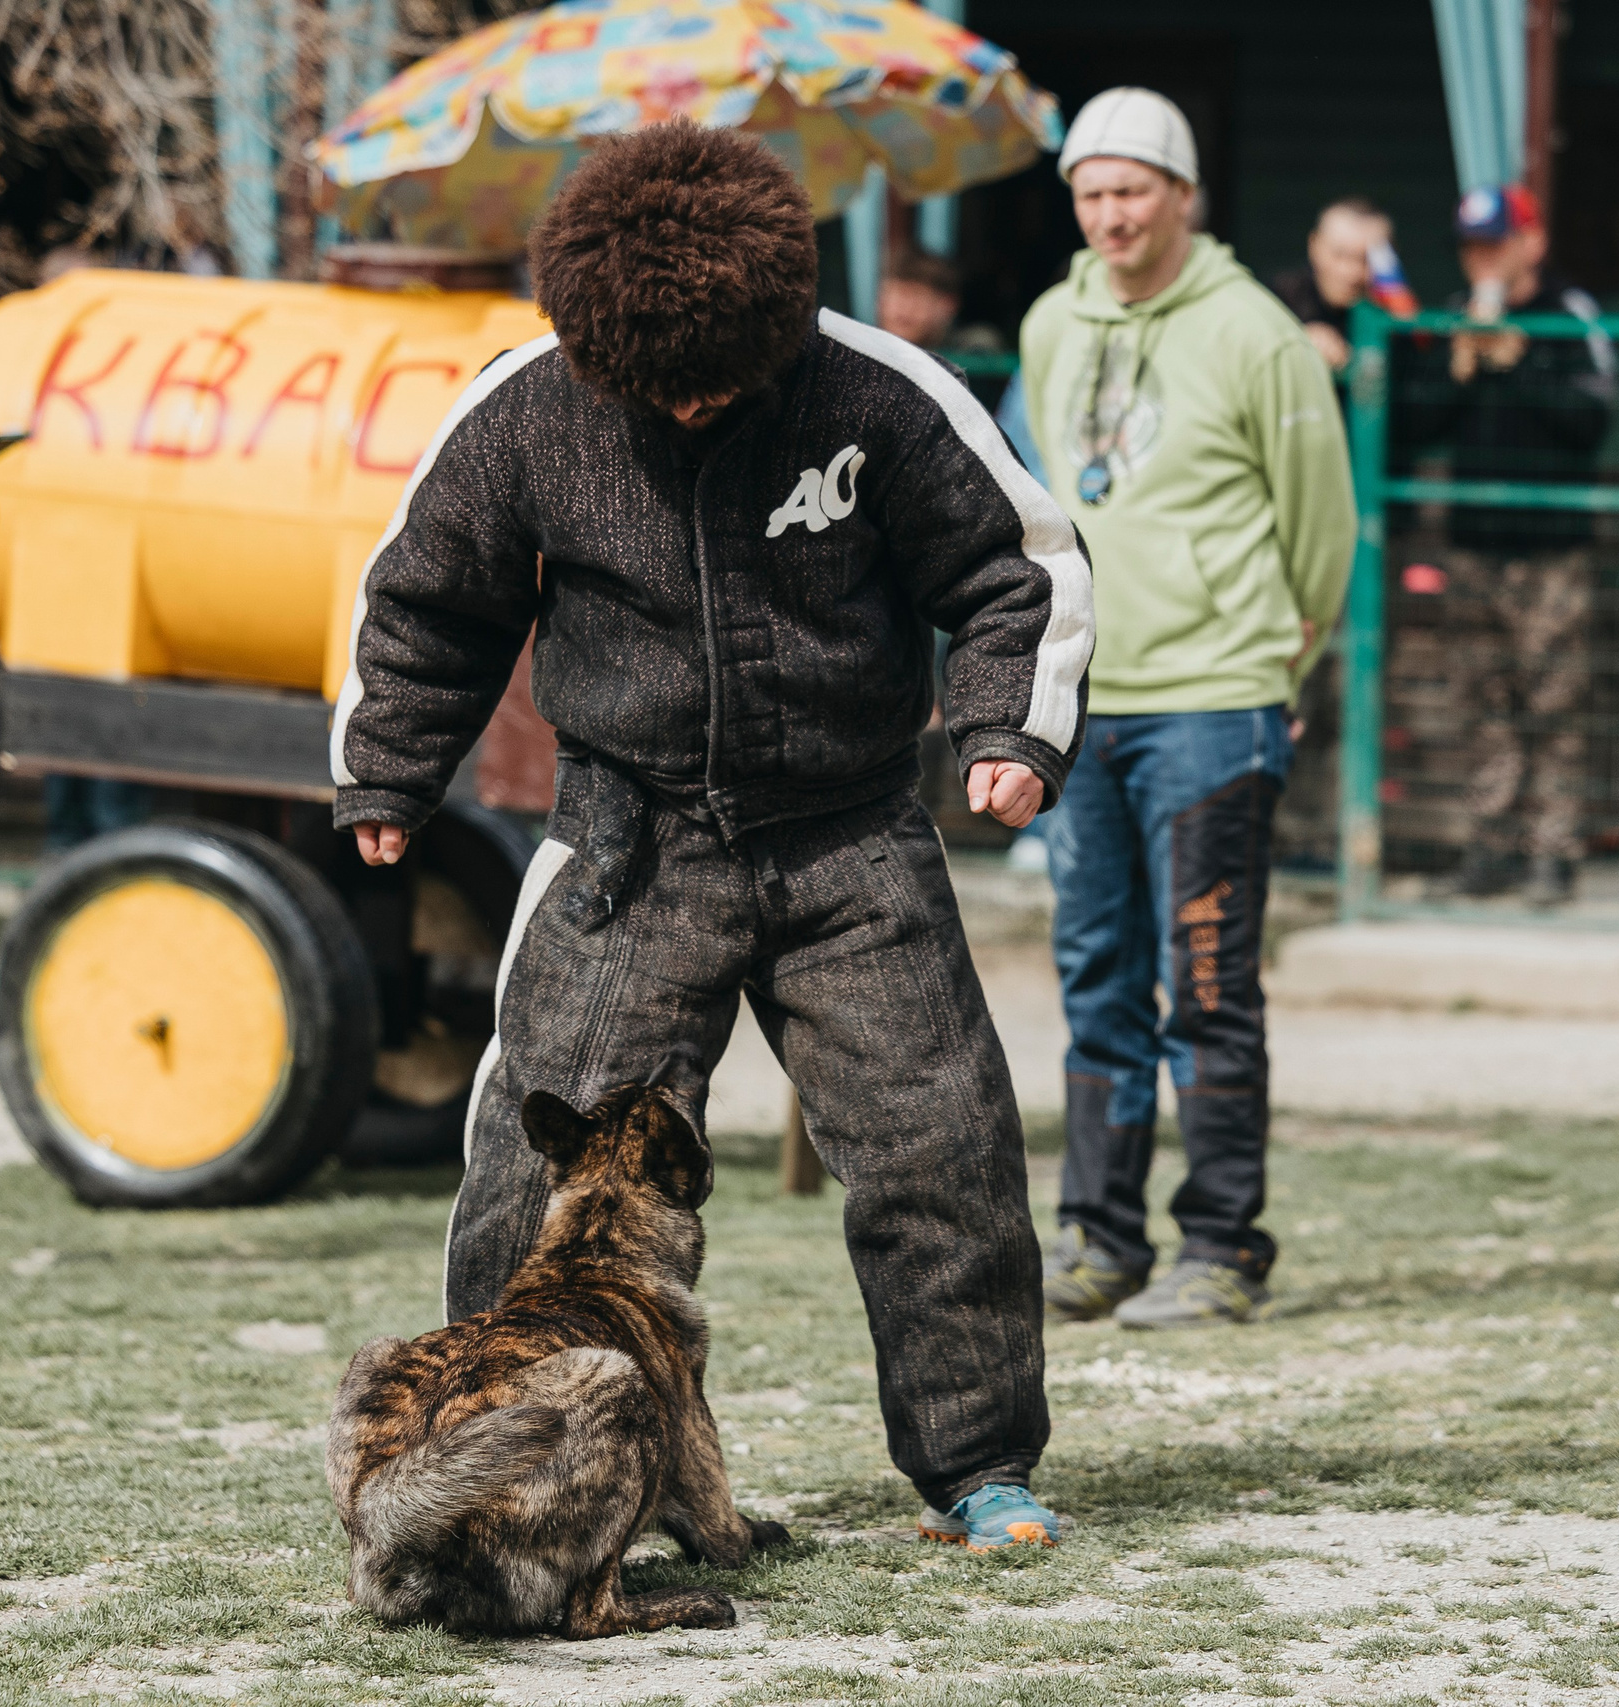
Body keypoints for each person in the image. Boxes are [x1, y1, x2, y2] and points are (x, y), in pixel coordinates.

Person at [334, 123, 1092, 1553]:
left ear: (782, 324)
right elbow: (424, 598)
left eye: (716, 387)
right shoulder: (526, 411)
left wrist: (1009, 733)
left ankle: (979, 1467)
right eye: (654, 390)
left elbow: (1016, 569)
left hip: (851, 837)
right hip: (631, 841)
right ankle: (489, 1463)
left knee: (945, 1151)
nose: (687, 408)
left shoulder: (882, 396)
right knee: (532, 1156)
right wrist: (386, 772)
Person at [1017, 88, 1355, 1330]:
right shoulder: (1053, 322)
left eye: (1131, 191)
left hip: (1216, 698)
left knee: (1207, 981)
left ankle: (1220, 1245)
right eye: (1090, 193)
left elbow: (1322, 522)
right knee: (1096, 972)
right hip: (1091, 700)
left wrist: (1286, 656)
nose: (1110, 215)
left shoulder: (1256, 334)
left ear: (1181, 195)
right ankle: (1097, 1238)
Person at [1394, 185, 1617, 904]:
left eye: (1495, 242)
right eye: (1472, 245)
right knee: (1482, 704)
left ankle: (1554, 854)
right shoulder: (1457, 314)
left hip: (1550, 551)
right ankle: (1491, 848)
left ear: (1531, 243)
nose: (1483, 258)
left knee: (1553, 706)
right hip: (1472, 547)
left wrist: (1519, 363)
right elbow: (1411, 423)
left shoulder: (1568, 315)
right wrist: (1457, 368)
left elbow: (1591, 421)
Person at [1273, 196, 1392, 378]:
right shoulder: (1275, 300)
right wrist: (1293, 339)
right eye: (1339, 255)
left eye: (1367, 259)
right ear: (1313, 245)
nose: (1351, 273)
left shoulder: (1394, 312)